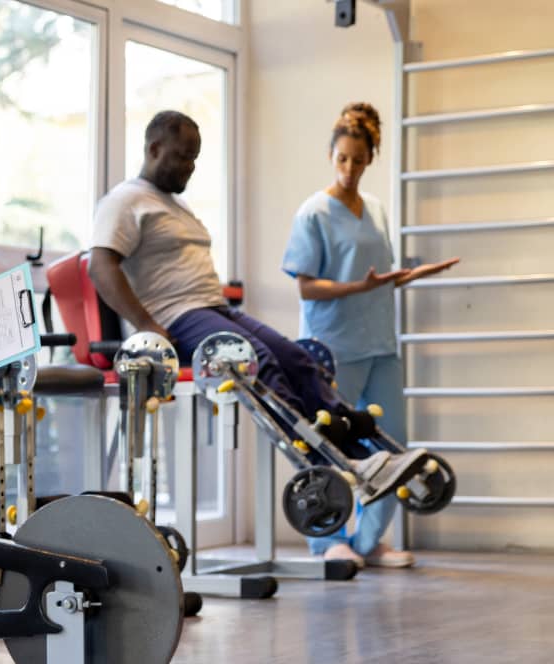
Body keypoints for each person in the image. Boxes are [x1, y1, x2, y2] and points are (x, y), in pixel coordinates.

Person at [87, 110, 426, 514]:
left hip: (213, 308)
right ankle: (333, 462)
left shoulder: (174, 205)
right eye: (181, 156)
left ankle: (361, 451)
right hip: (178, 316)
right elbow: (100, 266)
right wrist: (148, 325)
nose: (189, 167)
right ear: (153, 148)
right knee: (258, 362)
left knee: (298, 359)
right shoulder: (125, 201)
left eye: (195, 158)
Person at [281, 103, 459, 569]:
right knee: (332, 446)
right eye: (342, 159)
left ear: (370, 160)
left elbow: (379, 278)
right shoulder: (314, 212)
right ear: (330, 155)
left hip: (380, 342)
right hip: (334, 347)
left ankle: (368, 541)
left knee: (394, 444)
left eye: (358, 161)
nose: (349, 169)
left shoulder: (376, 210)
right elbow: (305, 282)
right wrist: (359, 286)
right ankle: (328, 540)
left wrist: (414, 274)